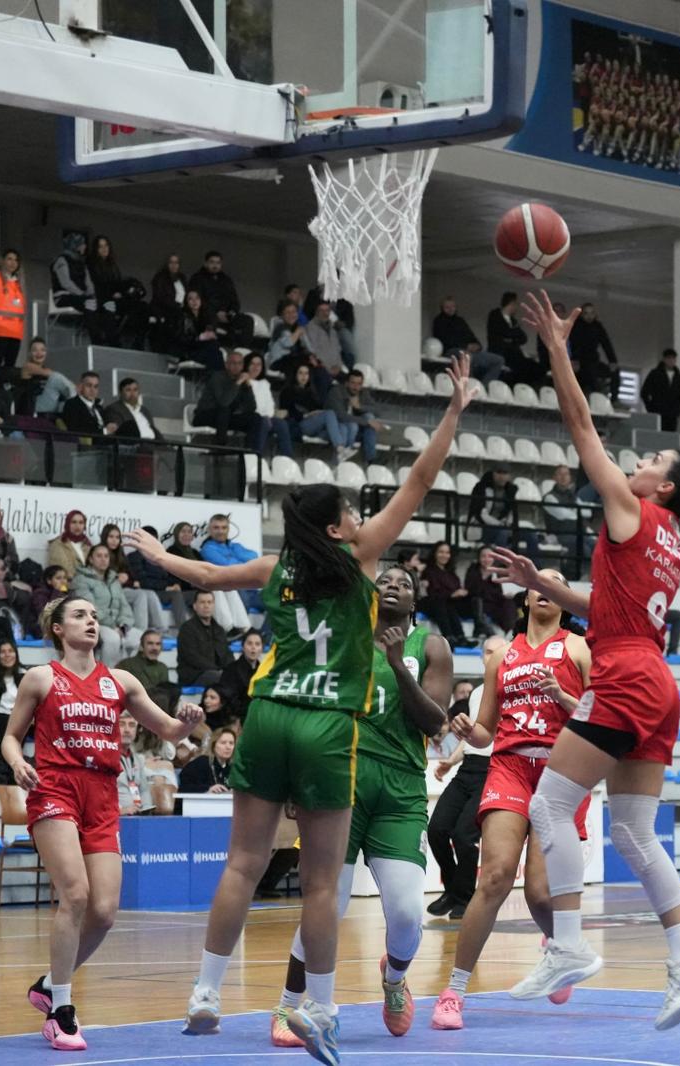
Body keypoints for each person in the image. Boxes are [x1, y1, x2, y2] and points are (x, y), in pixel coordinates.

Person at [126, 352, 473, 1064]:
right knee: (321, 883)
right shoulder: (363, 558)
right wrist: (453, 412)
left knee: (241, 865)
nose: (359, 517)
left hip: (267, 717)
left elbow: (206, 573)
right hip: (325, 725)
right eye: (350, 512)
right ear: (339, 529)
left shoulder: (275, 567)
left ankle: (205, 993)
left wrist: (158, 556)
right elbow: (419, 480)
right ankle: (319, 1007)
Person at [482, 294, 680, 1030]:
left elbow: (581, 425)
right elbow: (608, 603)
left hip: (622, 674)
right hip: (656, 677)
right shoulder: (672, 542)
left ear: (664, 487)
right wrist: (545, 584)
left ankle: (566, 945)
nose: (638, 463)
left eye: (651, 461)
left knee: (550, 806)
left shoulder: (632, 509)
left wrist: (558, 348)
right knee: (633, 831)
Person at [3, 595, 204, 1051]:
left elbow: (169, 731)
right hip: (55, 788)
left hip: (102, 795)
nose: (91, 621)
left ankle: (49, 984)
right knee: (75, 894)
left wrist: (186, 722)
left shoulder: (121, 681)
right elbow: (11, 737)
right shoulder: (41, 678)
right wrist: (17, 763)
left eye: (94, 616)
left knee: (105, 911)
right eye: (80, 615)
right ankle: (61, 1010)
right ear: (58, 629)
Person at [268, 565, 452, 1048]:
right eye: (385, 580)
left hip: (400, 791)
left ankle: (394, 979)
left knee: (407, 913)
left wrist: (397, 665)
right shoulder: (338, 640)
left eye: (405, 584)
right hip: (339, 782)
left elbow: (435, 721)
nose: (393, 586)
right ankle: (288, 1004)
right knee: (327, 903)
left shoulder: (430, 646)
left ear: (414, 603)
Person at [430, 573, 592, 1030]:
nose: (546, 587)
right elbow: (485, 731)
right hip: (510, 767)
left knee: (540, 891)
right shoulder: (502, 655)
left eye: (557, 582)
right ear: (526, 598)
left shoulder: (580, 648)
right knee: (496, 876)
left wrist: (562, 696)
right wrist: (468, 731)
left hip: (560, 770)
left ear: (564, 601)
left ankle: (560, 949)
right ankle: (454, 992)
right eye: (539, 581)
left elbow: (599, 714)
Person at [424, 676, 487, 922]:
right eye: (486, 656)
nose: (489, 658)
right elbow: (471, 735)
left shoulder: (510, 689)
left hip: (492, 768)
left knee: (464, 836)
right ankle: (453, 890)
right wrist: (451, 761)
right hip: (467, 767)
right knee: (436, 829)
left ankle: (465, 898)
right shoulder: (477, 693)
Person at [71, 544, 143, 664]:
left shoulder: (114, 580)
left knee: (141, 638)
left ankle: (128, 671)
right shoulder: (81, 580)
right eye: (99, 556)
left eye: (106, 556)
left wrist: (123, 625)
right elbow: (90, 609)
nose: (103, 559)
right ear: (91, 559)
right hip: (94, 623)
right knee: (113, 639)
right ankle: (108, 672)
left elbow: (124, 606)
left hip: (118, 625)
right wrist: (113, 626)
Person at [98, 524, 169, 634]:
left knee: (150, 593)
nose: (114, 540)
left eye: (117, 537)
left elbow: (129, 575)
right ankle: (141, 633)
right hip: (107, 590)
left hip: (122, 589)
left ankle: (161, 630)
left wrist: (127, 580)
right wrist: (117, 578)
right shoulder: (99, 552)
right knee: (140, 595)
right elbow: (97, 575)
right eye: (111, 537)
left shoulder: (120, 553)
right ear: (104, 537)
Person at [279, 362, 354, 463]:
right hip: (300, 424)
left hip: (316, 427)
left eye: (306, 373)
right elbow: (286, 412)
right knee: (329, 414)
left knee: (343, 427)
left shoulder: (311, 392)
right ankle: (340, 449)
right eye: (300, 373)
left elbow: (318, 408)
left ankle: (337, 462)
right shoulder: (287, 391)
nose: (304, 376)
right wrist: (306, 415)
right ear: (295, 375)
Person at [430, 296, 504, 383]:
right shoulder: (439, 321)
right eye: (447, 307)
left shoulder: (460, 321)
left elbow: (472, 337)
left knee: (498, 360)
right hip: (452, 351)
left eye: (452, 306)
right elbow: (445, 341)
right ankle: (469, 384)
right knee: (466, 356)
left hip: (471, 352)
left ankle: (484, 387)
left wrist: (477, 345)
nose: (450, 309)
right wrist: (466, 346)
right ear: (442, 308)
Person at [188, 250, 253, 346]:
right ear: (205, 263)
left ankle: (242, 349)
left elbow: (234, 300)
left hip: (226, 315)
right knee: (209, 318)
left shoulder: (226, 280)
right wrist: (216, 313)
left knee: (247, 320)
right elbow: (196, 300)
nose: (215, 265)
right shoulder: (197, 279)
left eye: (218, 263)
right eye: (212, 262)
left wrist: (231, 312)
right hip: (206, 314)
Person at [113, 630, 182, 720]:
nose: (154, 648)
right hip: (135, 707)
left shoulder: (162, 667)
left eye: (158, 644)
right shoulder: (126, 665)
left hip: (159, 709)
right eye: (150, 644)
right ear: (142, 646)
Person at [419, 541, 470, 646]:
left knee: (451, 605)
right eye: (441, 552)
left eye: (447, 552)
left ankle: (461, 638)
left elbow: (457, 588)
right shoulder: (428, 571)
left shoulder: (451, 572)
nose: (444, 555)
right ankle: (448, 637)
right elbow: (432, 593)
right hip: (432, 603)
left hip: (449, 603)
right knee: (441, 603)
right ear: (435, 554)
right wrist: (451, 594)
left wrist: (460, 593)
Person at [487, 291, 541, 387]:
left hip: (514, 353)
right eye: (516, 304)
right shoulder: (495, 315)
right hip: (501, 352)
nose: (517, 307)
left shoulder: (513, 321)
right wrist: (513, 336)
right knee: (522, 367)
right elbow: (501, 333)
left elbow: (523, 338)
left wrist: (510, 338)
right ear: (511, 303)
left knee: (536, 367)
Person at [16, 338, 77, 417]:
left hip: (47, 405)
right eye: (35, 350)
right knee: (56, 378)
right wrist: (74, 387)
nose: (39, 353)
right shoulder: (27, 366)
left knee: (65, 404)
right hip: (33, 406)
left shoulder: (46, 370)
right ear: (29, 353)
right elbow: (54, 376)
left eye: (42, 350)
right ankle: (77, 400)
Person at [217, 628, 265, 722]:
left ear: (262, 648)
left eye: (257, 644)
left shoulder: (264, 672)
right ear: (243, 647)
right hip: (237, 718)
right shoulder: (231, 670)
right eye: (249, 643)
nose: (253, 647)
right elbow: (228, 699)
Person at [339, 368, 386, 463]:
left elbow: (377, 411)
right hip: (341, 429)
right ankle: (348, 455)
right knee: (358, 424)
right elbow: (340, 416)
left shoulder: (363, 393)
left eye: (359, 384)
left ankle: (371, 458)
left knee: (369, 417)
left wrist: (360, 407)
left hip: (358, 431)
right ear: (347, 383)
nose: (356, 387)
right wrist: (367, 421)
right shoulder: (339, 392)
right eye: (353, 383)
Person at [568, 302, 616, 393]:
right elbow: (574, 344)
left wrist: (612, 361)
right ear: (581, 314)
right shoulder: (576, 326)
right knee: (586, 379)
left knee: (614, 372)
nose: (589, 316)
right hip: (579, 361)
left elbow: (606, 344)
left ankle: (613, 398)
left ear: (595, 314)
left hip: (593, 360)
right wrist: (574, 359)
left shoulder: (598, 327)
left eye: (592, 313)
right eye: (586, 313)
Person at [180, 727, 238, 794]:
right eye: (223, 743)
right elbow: (184, 788)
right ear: (213, 745)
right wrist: (208, 789)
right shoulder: (201, 763)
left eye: (231, 743)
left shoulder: (232, 767)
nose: (228, 747)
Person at [640, 348, 680, 432]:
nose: (671, 361)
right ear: (664, 359)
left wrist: (677, 411)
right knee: (657, 435)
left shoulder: (678, 377)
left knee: (670, 436)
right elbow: (644, 392)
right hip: (658, 412)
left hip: (672, 415)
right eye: (669, 358)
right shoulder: (655, 374)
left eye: (673, 359)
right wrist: (651, 408)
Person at [59, 372, 113, 437]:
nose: (92, 390)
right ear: (81, 387)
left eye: (96, 387)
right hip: (91, 441)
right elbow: (75, 430)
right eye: (89, 386)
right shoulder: (72, 404)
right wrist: (104, 431)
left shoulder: (99, 406)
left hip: (109, 439)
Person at [47, 510, 92, 580]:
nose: (77, 526)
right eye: (74, 522)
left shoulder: (87, 544)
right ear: (67, 524)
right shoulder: (57, 544)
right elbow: (63, 572)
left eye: (81, 522)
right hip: (68, 584)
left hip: (89, 583)